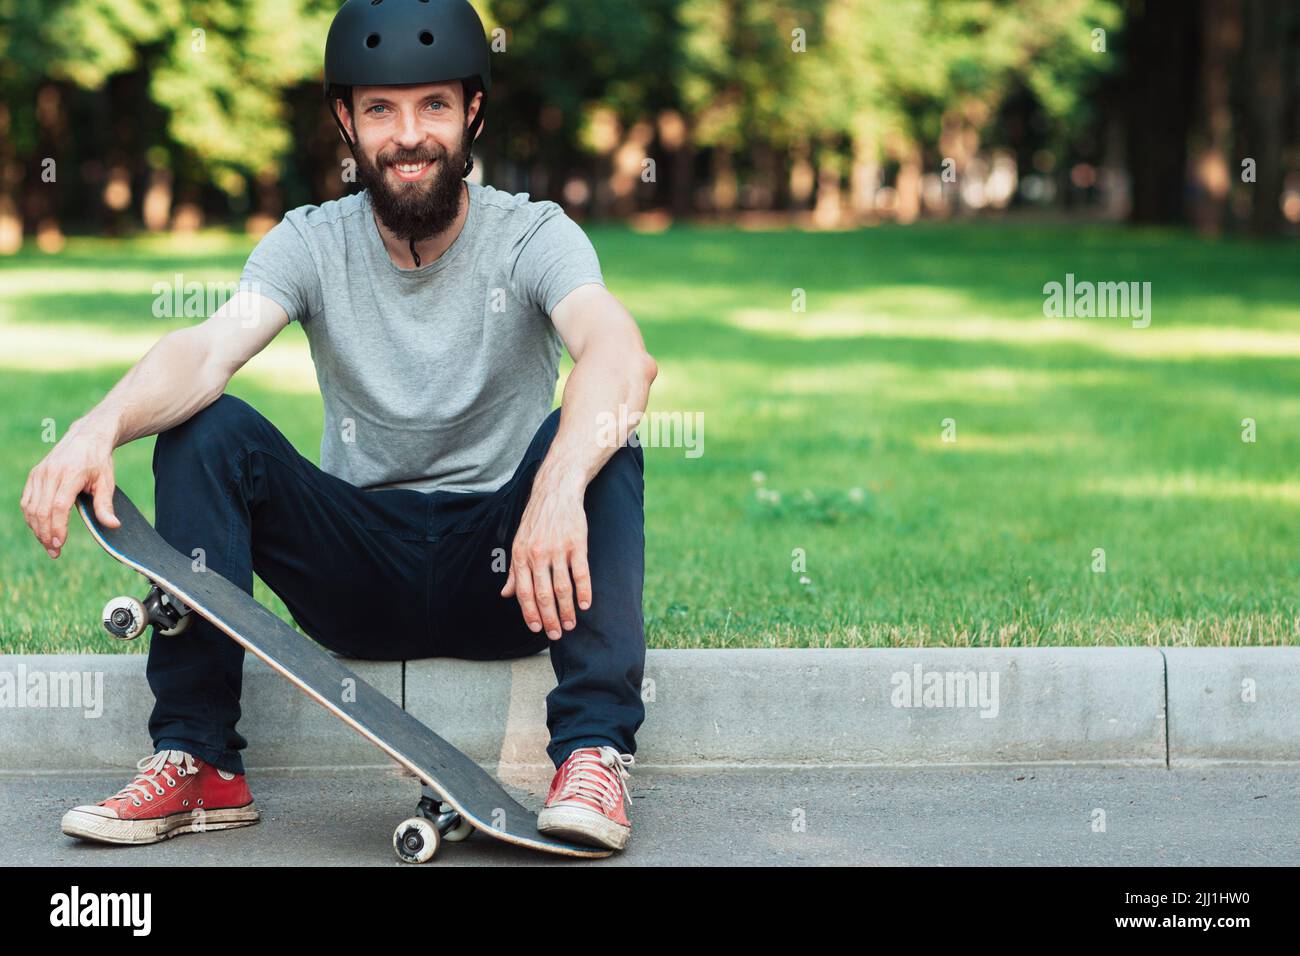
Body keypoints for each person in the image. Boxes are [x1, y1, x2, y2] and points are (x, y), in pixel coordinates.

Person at [20, 0, 655, 854]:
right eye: (380, 110)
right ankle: (199, 760)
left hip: (510, 570)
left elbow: (620, 357)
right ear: (346, 122)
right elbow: (207, 352)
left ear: (472, 111)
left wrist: (559, 487)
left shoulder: (533, 234)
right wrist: (99, 425)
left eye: (433, 105)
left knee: (602, 439)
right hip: (357, 568)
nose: (409, 135)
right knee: (207, 433)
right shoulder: (312, 241)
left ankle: (593, 755)